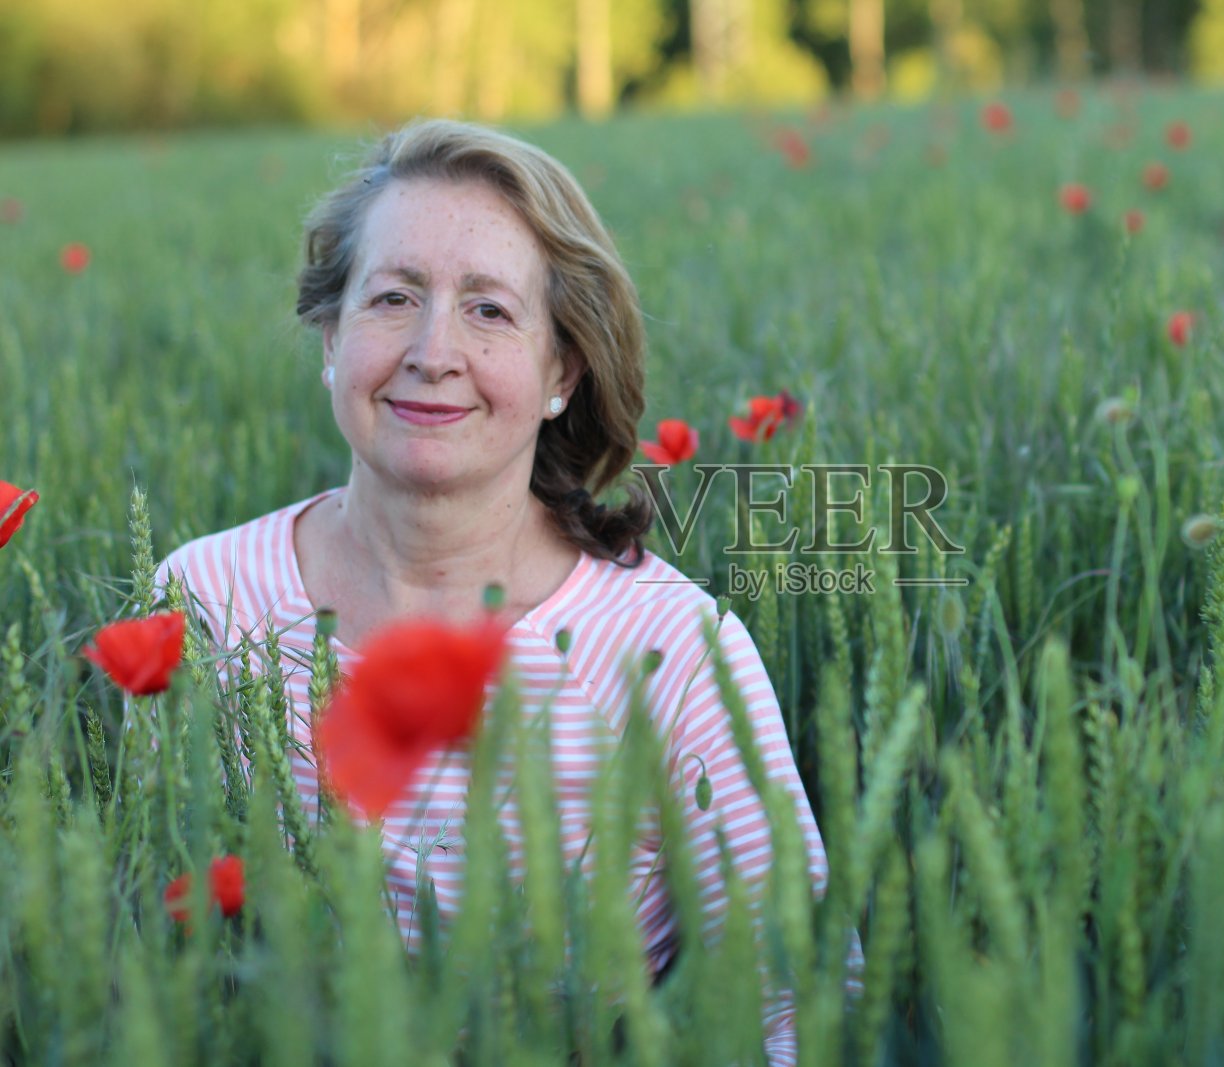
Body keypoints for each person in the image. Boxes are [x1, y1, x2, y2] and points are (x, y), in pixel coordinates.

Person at [156, 118, 845, 1065]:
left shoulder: (673, 650)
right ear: (330, 335)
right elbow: (134, 953)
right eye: (393, 297)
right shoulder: (199, 603)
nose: (432, 351)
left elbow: (794, 1005)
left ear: (560, 369)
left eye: (489, 310)